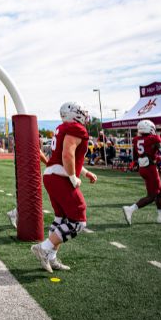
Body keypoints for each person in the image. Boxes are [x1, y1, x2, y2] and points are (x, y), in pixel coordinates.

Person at [31, 102, 98, 273]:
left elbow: (68, 157)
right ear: (75, 114)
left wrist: (85, 172)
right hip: (60, 176)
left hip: (51, 174)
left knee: (61, 218)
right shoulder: (76, 128)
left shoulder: (63, 128)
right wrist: (73, 177)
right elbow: (67, 155)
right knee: (78, 221)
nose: (84, 114)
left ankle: (51, 257)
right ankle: (44, 248)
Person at [123, 119, 161, 225]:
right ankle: (130, 209)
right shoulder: (153, 138)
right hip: (150, 168)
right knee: (152, 196)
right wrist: (158, 158)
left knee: (160, 192)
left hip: (143, 168)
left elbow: (135, 156)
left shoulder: (136, 139)